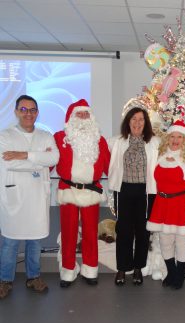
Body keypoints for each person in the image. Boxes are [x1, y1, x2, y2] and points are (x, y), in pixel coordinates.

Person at [0, 95, 59, 299]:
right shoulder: (5, 136)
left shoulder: (45, 135)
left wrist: (24, 155)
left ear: (37, 112)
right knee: (10, 241)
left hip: (36, 197)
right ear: (16, 112)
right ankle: (5, 280)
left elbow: (54, 158)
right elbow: (8, 163)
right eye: (24, 109)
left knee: (35, 240)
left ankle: (33, 277)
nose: (28, 113)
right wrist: (38, 159)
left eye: (32, 110)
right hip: (14, 195)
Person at [54, 99, 110, 288]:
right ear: (71, 117)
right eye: (79, 114)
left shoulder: (100, 140)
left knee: (90, 232)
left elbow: (110, 167)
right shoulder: (60, 137)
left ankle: (90, 268)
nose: (83, 117)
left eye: (86, 114)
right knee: (68, 232)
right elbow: (50, 161)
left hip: (91, 191)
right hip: (68, 190)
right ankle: (68, 270)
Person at [147, 120, 185, 289]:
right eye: (172, 136)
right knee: (164, 240)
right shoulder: (159, 155)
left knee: (181, 242)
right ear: (168, 138)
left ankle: (180, 275)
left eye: (179, 137)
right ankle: (171, 272)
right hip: (162, 204)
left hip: (182, 205)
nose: (175, 140)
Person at [108, 106, 159, 286]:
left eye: (141, 120)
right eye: (134, 119)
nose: (137, 123)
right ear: (127, 122)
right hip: (123, 190)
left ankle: (138, 268)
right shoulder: (116, 142)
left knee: (143, 232)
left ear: (146, 123)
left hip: (145, 192)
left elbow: (176, 150)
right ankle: (122, 269)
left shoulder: (155, 142)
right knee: (123, 231)